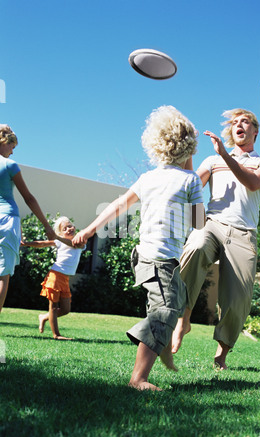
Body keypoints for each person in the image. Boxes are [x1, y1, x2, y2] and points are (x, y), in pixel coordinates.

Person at [73, 105, 205, 391]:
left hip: (144, 256)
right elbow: (199, 223)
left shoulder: (148, 178)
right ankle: (138, 379)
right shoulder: (190, 179)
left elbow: (119, 205)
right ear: (189, 147)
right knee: (165, 309)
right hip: (161, 257)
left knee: (177, 300)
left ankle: (164, 347)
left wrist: (88, 229)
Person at [172, 108, 260, 370]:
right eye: (234, 122)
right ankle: (183, 319)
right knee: (195, 246)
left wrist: (225, 157)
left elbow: (252, 183)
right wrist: (190, 152)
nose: (238, 125)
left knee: (237, 300)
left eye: (245, 122)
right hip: (212, 223)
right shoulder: (213, 159)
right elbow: (192, 186)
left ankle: (221, 353)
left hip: (244, 233)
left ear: (255, 130)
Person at [0, 126, 55, 312]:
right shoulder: (10, 165)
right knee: (2, 275)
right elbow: (28, 198)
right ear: (4, 142)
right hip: (7, 220)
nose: (12, 151)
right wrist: (47, 225)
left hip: (8, 222)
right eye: (12, 146)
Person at [22, 217, 85, 340]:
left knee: (66, 309)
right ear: (61, 233)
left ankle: (44, 317)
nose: (69, 229)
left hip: (65, 279)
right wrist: (26, 243)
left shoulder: (80, 241)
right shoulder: (59, 241)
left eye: (70, 226)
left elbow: (74, 244)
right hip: (55, 275)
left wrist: (57, 237)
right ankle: (56, 335)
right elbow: (42, 244)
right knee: (53, 307)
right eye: (65, 228)